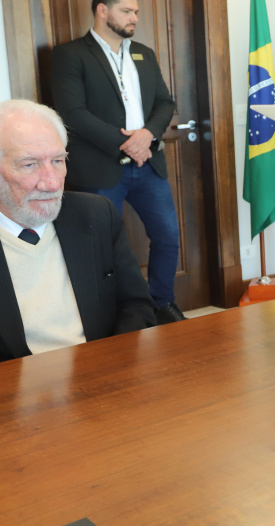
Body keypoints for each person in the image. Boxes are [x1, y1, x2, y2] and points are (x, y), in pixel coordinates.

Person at [0, 99, 156, 374]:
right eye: (30, 164)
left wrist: (108, 367)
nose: (52, 182)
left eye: (58, 161)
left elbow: (136, 305)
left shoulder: (96, 215)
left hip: (101, 377)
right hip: (6, 395)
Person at [51, 0, 185, 324]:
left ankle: (162, 305)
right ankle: (112, 317)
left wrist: (148, 135)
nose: (134, 17)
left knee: (167, 236)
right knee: (100, 246)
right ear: (102, 11)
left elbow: (166, 103)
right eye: (127, 11)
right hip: (101, 167)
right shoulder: (70, 55)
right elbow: (72, 114)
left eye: (136, 12)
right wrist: (127, 143)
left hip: (147, 165)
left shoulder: (144, 53)